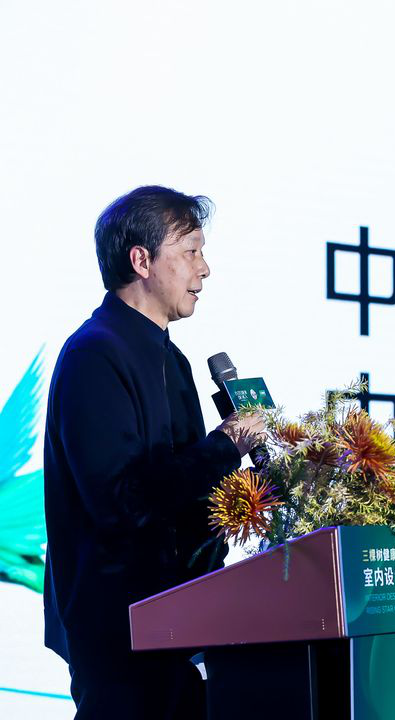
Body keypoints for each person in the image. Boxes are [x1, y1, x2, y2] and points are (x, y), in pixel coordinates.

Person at [42, 186, 266, 719]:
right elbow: (123, 500)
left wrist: (260, 491)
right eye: (190, 252)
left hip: (183, 627)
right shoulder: (93, 354)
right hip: (120, 635)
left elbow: (185, 492)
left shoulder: (174, 360)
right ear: (141, 261)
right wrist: (226, 445)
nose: (204, 269)